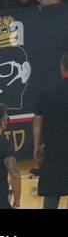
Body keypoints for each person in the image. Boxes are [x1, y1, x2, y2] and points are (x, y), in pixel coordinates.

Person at [33, 51, 68, 209]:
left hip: (54, 148)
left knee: (52, 192)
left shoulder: (48, 91)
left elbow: (37, 121)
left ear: (62, 67)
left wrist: (36, 145)